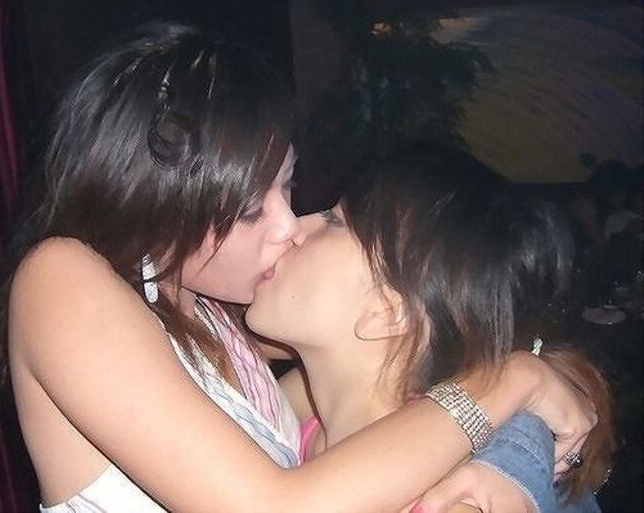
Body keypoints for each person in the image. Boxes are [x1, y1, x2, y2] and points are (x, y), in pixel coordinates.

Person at [1, 22, 596, 511]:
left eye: (286, 186)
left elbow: (391, 368)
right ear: (162, 200)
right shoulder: (62, 279)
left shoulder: (219, 323)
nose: (289, 224)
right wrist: (512, 383)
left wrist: (519, 450)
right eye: (248, 209)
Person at [246, 144, 616, 512]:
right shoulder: (311, 407)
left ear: (388, 312)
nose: (295, 226)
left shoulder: (452, 501)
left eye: (334, 220)